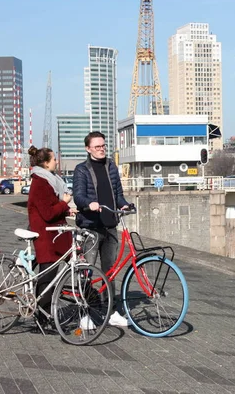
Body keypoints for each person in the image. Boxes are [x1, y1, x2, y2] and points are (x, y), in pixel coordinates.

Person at [73, 131, 131, 327]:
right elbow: (78, 196)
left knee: (110, 271)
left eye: (103, 146)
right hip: (90, 227)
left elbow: (118, 193)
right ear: (88, 149)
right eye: (97, 147)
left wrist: (124, 204)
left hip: (110, 225)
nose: (101, 149)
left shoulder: (111, 167)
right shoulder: (81, 170)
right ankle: (84, 313)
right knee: (87, 271)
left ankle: (111, 310)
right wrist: (89, 203)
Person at [26, 145, 75, 330]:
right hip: (46, 235)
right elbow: (47, 213)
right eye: (54, 158)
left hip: (55, 232)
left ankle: (46, 313)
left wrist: (67, 208)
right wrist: (64, 203)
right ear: (46, 163)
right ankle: (42, 317)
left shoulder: (50, 180)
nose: (57, 161)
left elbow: (53, 206)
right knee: (48, 277)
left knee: (54, 272)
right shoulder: (40, 182)